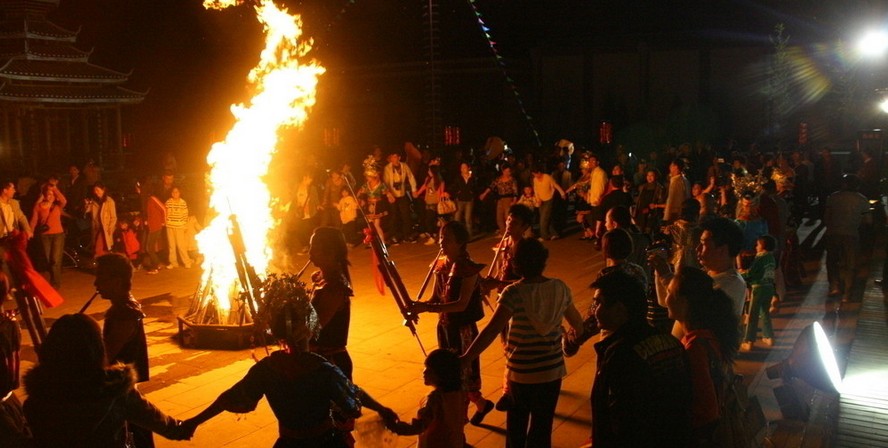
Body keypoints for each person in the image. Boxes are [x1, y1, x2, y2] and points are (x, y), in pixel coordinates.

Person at [182, 275, 396, 447]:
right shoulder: (321, 368)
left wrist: (193, 422)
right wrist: (381, 408)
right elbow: (353, 399)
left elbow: (228, 398)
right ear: (308, 328)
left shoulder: (267, 369)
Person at [462, 238, 584, 448]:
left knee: (516, 428)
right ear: (543, 262)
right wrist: (564, 334)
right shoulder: (560, 288)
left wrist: (467, 357)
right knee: (542, 427)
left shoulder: (514, 293)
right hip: (552, 371)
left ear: (516, 264)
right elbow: (578, 326)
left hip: (522, 373)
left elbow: (491, 330)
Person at [23, 314, 189, 447]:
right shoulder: (115, 391)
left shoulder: (38, 396)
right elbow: (164, 425)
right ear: (97, 349)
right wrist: (183, 428)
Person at [587, 270, 692, 447]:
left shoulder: (622, 355)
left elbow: (621, 421)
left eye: (599, 304)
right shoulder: (670, 343)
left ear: (620, 309)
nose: (594, 311)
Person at [412, 221, 495, 426]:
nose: (442, 242)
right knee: (449, 372)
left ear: (460, 243)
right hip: (445, 327)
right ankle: (482, 404)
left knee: (462, 374)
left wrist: (427, 308)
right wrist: (417, 305)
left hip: (462, 329)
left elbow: (460, 304)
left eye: (448, 239)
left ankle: (460, 422)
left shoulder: (468, 268)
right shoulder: (440, 264)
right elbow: (436, 298)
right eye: (441, 237)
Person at [663, 267, 740, 444]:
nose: (666, 299)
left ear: (684, 302)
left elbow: (707, 411)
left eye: (669, 292)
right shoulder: (708, 336)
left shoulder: (695, 348)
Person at [95, 252, 153, 447]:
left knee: (132, 435)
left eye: (100, 278)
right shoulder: (122, 308)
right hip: (122, 388)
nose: (96, 284)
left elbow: (107, 355)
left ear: (117, 280)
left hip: (122, 390)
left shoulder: (125, 314)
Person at [385, 349, 466, 448]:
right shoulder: (459, 392)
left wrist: (395, 427)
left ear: (442, 375)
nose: (424, 372)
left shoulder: (435, 399)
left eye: (429, 369)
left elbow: (420, 426)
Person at [824, 174, 871, 302]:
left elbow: (826, 218)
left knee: (832, 261)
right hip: (851, 234)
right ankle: (848, 293)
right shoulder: (862, 199)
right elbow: (868, 220)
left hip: (833, 233)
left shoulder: (833, 197)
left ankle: (835, 286)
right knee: (851, 264)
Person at [740, 235, 778, 352]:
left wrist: (740, 274)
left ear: (763, 246)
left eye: (757, 244)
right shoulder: (771, 258)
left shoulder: (760, 258)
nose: (756, 247)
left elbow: (752, 273)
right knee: (765, 312)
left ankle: (749, 341)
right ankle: (768, 337)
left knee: (752, 315)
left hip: (758, 288)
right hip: (769, 288)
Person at [29, 183, 66, 289]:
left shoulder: (57, 206)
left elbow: (64, 200)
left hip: (58, 234)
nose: (49, 196)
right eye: (48, 194)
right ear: (44, 195)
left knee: (55, 259)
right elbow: (34, 220)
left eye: (51, 194)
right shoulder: (38, 206)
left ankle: (55, 283)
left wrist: (55, 189)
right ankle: (54, 280)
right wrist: (30, 231)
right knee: (49, 259)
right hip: (45, 235)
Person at [383, 153, 417, 243]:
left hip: (402, 194)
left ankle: (407, 235)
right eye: (392, 157)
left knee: (406, 214)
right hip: (392, 195)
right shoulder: (387, 168)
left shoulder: (404, 166)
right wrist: (389, 194)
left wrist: (414, 189)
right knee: (394, 216)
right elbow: (385, 183)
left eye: (395, 157)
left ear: (399, 157)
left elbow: (411, 177)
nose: (394, 159)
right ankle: (394, 236)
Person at [479, 165, 518, 236]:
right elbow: (491, 187)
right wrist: (484, 194)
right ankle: (503, 233)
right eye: (506, 171)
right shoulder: (498, 179)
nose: (508, 173)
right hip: (500, 199)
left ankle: (510, 233)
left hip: (508, 199)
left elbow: (515, 191)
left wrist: (514, 201)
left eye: (509, 171)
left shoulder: (512, 180)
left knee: (507, 217)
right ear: (503, 171)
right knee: (499, 217)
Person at [530, 164, 567, 240]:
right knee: (547, 218)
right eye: (534, 174)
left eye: (536, 174)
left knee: (543, 219)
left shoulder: (547, 177)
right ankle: (554, 233)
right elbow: (536, 189)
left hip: (548, 199)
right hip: (541, 200)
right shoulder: (535, 179)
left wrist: (562, 193)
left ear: (539, 172)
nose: (535, 176)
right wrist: (538, 199)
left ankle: (544, 236)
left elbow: (555, 185)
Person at [414, 165, 446, 245]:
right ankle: (434, 234)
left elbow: (441, 192)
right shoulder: (428, 179)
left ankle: (432, 237)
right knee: (431, 220)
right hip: (428, 202)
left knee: (429, 220)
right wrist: (417, 193)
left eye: (429, 170)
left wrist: (440, 202)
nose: (428, 171)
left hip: (434, 203)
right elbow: (424, 187)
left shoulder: (439, 181)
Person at [85, 182, 117, 259]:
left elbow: (113, 217)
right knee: (100, 248)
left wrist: (110, 228)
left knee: (100, 248)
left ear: (103, 190)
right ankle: (104, 265)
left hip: (104, 229)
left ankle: (103, 264)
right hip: (96, 228)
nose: (96, 192)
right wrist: (87, 204)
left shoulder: (109, 201)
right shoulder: (94, 201)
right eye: (95, 190)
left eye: (97, 190)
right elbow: (87, 211)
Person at [164, 186, 192, 269]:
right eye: (173, 192)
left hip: (179, 226)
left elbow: (185, 215)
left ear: (179, 193)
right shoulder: (168, 202)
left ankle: (187, 262)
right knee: (171, 246)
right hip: (170, 226)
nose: (175, 194)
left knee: (181, 245)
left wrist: (185, 226)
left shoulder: (183, 202)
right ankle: (173, 262)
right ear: (171, 193)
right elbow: (165, 213)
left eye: (176, 192)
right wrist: (166, 222)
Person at [451, 162, 477, 239]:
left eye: (465, 167)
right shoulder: (458, 178)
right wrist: (456, 194)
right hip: (460, 200)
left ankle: (469, 236)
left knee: (468, 218)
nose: (463, 169)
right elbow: (454, 186)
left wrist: (472, 194)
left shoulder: (472, 178)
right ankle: (457, 236)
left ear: (468, 168)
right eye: (462, 167)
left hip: (469, 200)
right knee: (457, 218)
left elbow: (475, 187)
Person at [143, 188, 166, 274]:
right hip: (152, 227)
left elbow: (163, 208)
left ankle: (157, 265)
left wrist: (163, 222)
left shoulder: (152, 198)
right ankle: (155, 265)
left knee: (149, 248)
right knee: (149, 247)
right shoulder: (147, 200)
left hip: (156, 226)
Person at [663, 158, 691, 224]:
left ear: (676, 167)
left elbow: (671, 199)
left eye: (671, 165)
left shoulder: (675, 181)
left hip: (674, 214)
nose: (669, 167)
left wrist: (666, 217)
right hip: (683, 212)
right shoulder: (685, 180)